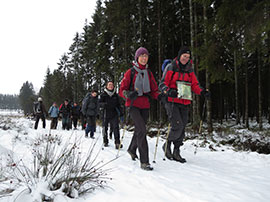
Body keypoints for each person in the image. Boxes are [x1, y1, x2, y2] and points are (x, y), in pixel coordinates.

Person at [159, 46, 210, 163]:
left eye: (188, 57)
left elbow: (194, 85)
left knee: (182, 128)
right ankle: (167, 144)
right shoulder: (171, 67)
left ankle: (176, 151)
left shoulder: (190, 69)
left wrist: (202, 92)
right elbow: (162, 84)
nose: (185, 59)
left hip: (185, 101)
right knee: (177, 125)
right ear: (179, 56)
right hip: (171, 101)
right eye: (184, 56)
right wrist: (168, 91)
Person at [119, 47, 160, 171]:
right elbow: (121, 90)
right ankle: (144, 161)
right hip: (132, 105)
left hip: (145, 105)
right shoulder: (130, 72)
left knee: (139, 129)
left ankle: (132, 149)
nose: (144, 58)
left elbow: (154, 90)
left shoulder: (148, 73)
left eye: (146, 56)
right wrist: (127, 94)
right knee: (142, 130)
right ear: (137, 58)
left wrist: (161, 96)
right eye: (141, 56)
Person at [99, 81, 123, 149]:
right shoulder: (103, 94)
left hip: (114, 113)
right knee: (105, 128)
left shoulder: (115, 95)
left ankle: (117, 142)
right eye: (109, 85)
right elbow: (99, 103)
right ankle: (105, 140)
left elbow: (118, 105)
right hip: (105, 113)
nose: (111, 86)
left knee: (116, 128)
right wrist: (103, 105)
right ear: (106, 86)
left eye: (112, 85)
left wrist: (121, 113)